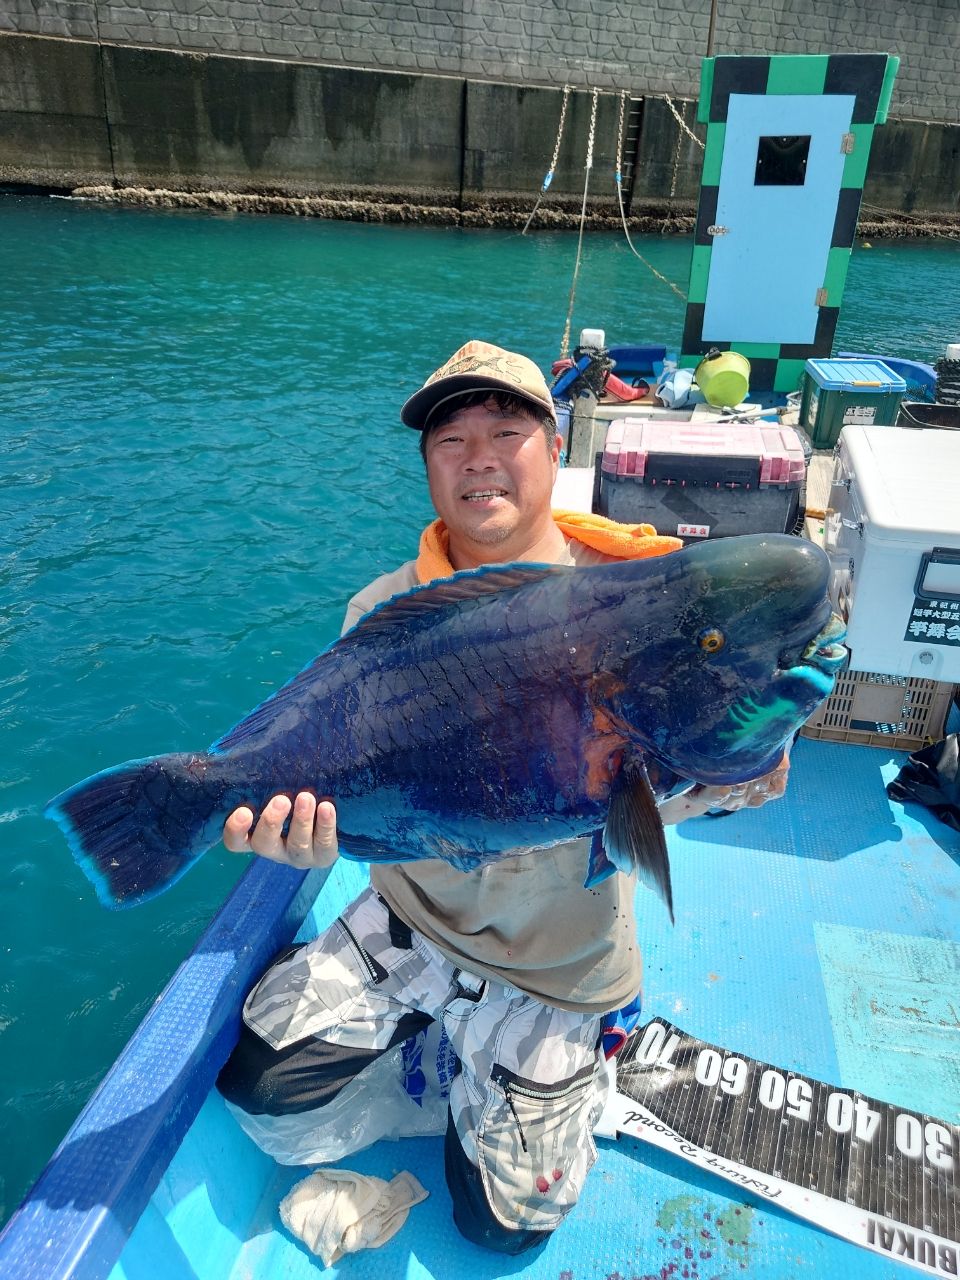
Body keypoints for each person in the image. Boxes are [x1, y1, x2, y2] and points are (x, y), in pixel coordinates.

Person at [216, 340, 789, 1254]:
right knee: (258, 1078)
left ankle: (570, 1061)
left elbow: (665, 772)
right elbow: (373, 798)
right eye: (451, 439)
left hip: (557, 963)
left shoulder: (624, 594)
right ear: (429, 467)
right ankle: (446, 1046)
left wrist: (734, 772)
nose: (479, 455)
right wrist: (313, 840)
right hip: (413, 916)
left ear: (553, 446)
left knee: (499, 1226)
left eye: (507, 429)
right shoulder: (382, 614)